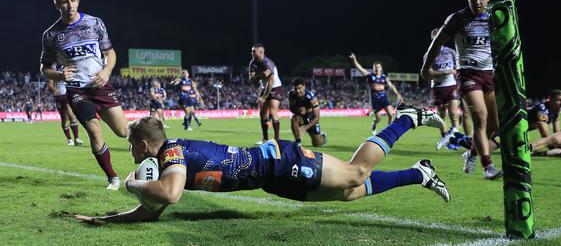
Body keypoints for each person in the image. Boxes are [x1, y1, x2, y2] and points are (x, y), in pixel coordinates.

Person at [74, 104, 449, 224]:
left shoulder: (171, 153)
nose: (133, 157)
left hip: (279, 162)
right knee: (349, 194)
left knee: (355, 173)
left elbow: (168, 195)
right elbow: (151, 210)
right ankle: (420, 172)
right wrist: (104, 221)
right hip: (270, 179)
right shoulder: (165, 158)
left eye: (132, 149)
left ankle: (407, 118)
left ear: (143, 145)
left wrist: (132, 183)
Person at [40, 0, 128, 190]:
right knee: (94, 131)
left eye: (73, 0)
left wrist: (106, 72)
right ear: (56, 5)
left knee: (123, 132)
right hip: (77, 91)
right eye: (64, 2)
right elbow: (44, 68)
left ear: (77, 1)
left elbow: (110, 53)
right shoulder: (51, 35)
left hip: (100, 86)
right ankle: (113, 178)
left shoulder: (94, 23)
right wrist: (60, 75)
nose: (69, 5)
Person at [421, 0, 502, 180]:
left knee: (494, 126)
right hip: (468, 74)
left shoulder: (495, 18)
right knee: (480, 118)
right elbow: (437, 42)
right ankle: (488, 167)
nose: (478, 2)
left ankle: (471, 153)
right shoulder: (458, 19)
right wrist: (426, 67)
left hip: (490, 74)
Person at [422, 28, 464, 150]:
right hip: (437, 88)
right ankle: (445, 138)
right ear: (432, 39)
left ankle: (456, 139)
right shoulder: (428, 55)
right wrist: (445, 72)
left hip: (451, 86)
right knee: (441, 117)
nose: (438, 39)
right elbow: (427, 73)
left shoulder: (450, 52)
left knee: (453, 114)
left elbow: (458, 67)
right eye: (435, 37)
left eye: (440, 36)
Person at [349, 53, 404, 135]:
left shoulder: (384, 77)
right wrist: (354, 60)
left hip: (384, 99)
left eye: (378, 67)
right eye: (375, 67)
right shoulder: (370, 76)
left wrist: (398, 94)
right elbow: (360, 69)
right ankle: (374, 124)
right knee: (378, 119)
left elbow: (391, 86)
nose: (377, 69)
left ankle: (389, 132)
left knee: (391, 115)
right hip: (375, 101)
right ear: (373, 69)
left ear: (381, 68)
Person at [249, 43, 284, 143]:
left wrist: (264, 97)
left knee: (273, 112)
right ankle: (265, 138)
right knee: (262, 114)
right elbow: (251, 78)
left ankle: (277, 139)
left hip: (275, 87)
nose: (251, 53)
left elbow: (271, 81)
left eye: (253, 51)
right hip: (265, 87)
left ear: (261, 52)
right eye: (252, 51)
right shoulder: (253, 63)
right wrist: (261, 76)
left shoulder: (268, 63)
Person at [288, 77, 327, 147]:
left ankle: (323, 137)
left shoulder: (312, 98)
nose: (297, 91)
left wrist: (305, 128)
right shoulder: (291, 94)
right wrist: (298, 111)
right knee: (294, 119)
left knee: (317, 144)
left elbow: (317, 118)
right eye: (295, 89)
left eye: (299, 88)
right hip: (301, 118)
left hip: (311, 119)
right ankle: (298, 142)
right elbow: (291, 108)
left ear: (304, 87)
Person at [47, 73, 82, 146]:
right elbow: (50, 85)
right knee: (64, 118)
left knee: (71, 116)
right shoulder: (52, 71)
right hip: (59, 97)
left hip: (68, 95)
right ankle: (69, 139)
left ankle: (77, 138)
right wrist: (54, 89)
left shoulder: (67, 69)